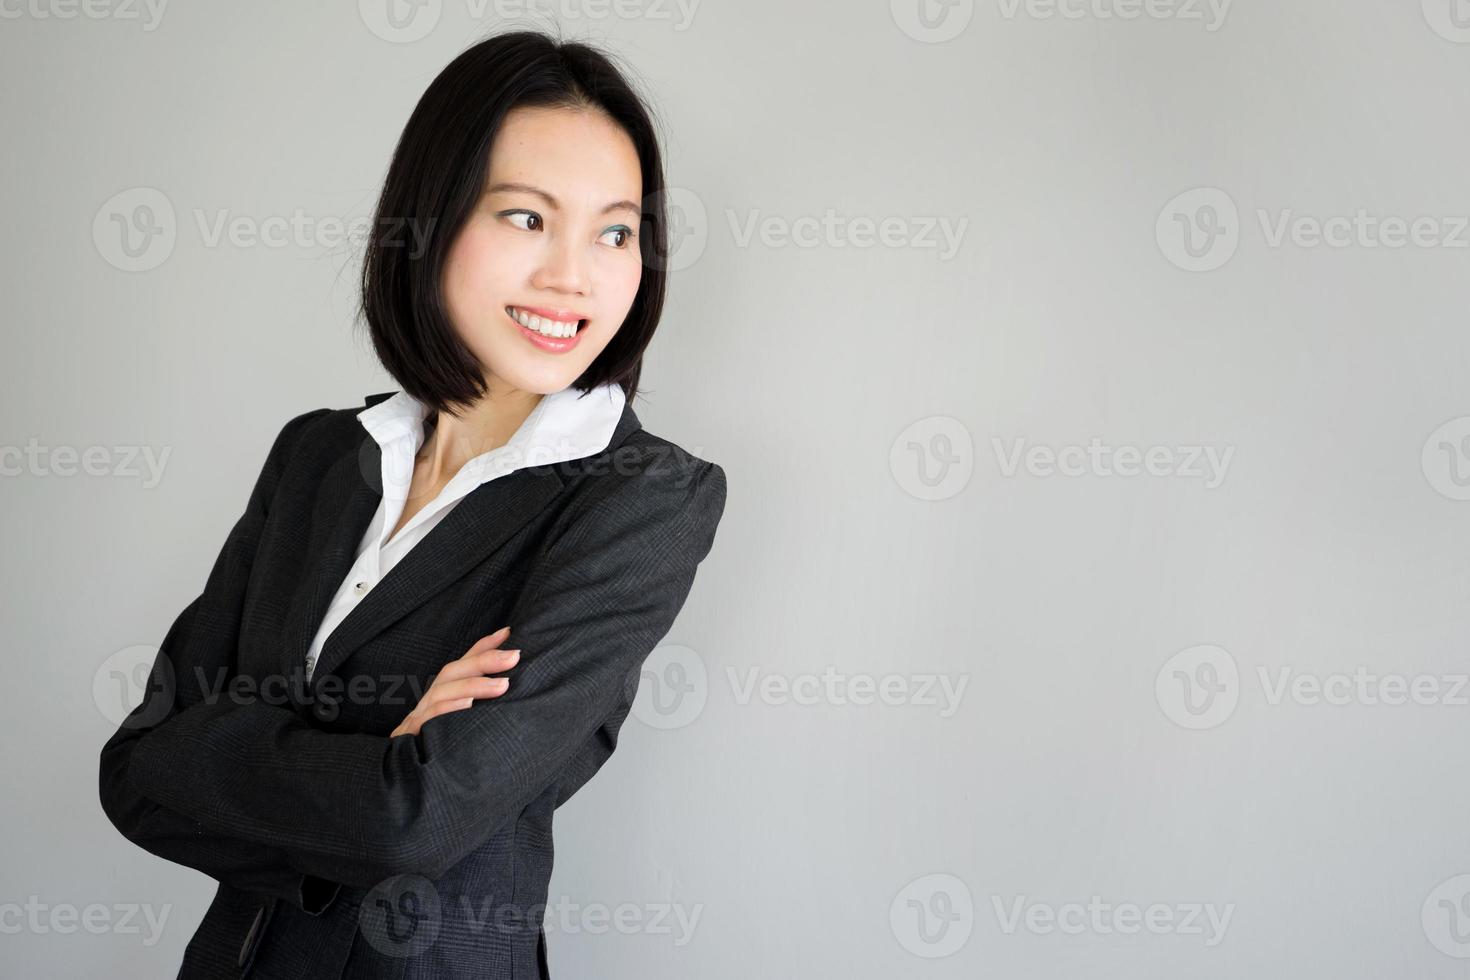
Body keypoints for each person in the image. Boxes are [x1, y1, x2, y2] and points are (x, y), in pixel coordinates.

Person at [97, 28, 727, 980]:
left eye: (616, 230)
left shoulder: (642, 499)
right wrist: (378, 749)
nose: (574, 273)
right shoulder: (320, 455)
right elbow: (138, 769)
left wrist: (259, 750)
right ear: (428, 222)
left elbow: (419, 819)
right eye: (526, 218)